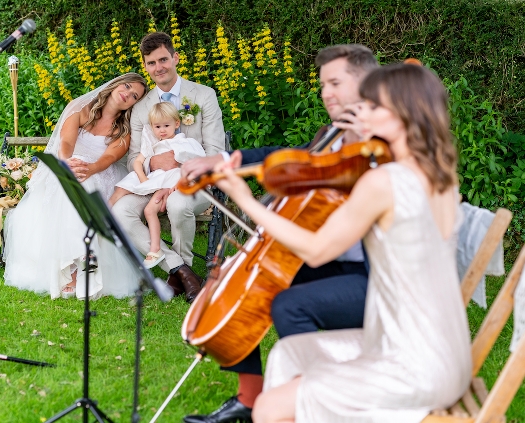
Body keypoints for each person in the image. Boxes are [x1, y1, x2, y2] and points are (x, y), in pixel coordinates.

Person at [216, 63, 470, 423]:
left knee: (270, 409)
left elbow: (317, 249)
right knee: (288, 353)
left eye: (372, 106)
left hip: (412, 362)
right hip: (446, 351)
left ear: (403, 114)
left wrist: (246, 201)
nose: (359, 111)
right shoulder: (440, 172)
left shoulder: (384, 182)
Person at [180, 44, 378, 423]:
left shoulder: (381, 144)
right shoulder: (334, 135)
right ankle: (250, 398)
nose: (327, 94)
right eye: (323, 85)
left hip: (375, 274)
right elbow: (287, 156)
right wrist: (223, 161)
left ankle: (311, 399)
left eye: (336, 82)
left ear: (366, 83)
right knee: (254, 280)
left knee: (289, 302)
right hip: (330, 256)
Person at [3, 73, 148, 300]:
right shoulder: (80, 107)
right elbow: (66, 141)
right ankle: (76, 264)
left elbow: (109, 157)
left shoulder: (125, 128)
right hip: (67, 162)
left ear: (134, 104)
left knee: (85, 183)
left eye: (134, 96)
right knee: (68, 187)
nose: (127, 94)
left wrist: (90, 169)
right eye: (127, 86)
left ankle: (77, 263)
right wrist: (67, 164)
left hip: (100, 172)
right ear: (116, 84)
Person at [110, 32, 225, 303]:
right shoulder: (141, 107)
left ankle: (178, 274)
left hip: (194, 180)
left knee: (178, 205)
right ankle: (182, 271)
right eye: (151, 63)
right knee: (120, 210)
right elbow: (134, 157)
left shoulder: (203, 96)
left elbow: (216, 152)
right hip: (152, 179)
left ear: (175, 58)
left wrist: (186, 168)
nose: (158, 67)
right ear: (146, 66)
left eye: (163, 59)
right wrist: (152, 162)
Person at [110, 102, 206, 268]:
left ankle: (155, 250)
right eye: (157, 126)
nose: (162, 130)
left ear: (177, 124)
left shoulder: (184, 142)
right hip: (155, 179)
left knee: (149, 210)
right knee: (121, 189)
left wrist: (180, 181)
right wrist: (142, 178)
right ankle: (105, 217)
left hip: (170, 181)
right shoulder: (153, 144)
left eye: (166, 126)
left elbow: (193, 162)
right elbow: (138, 162)